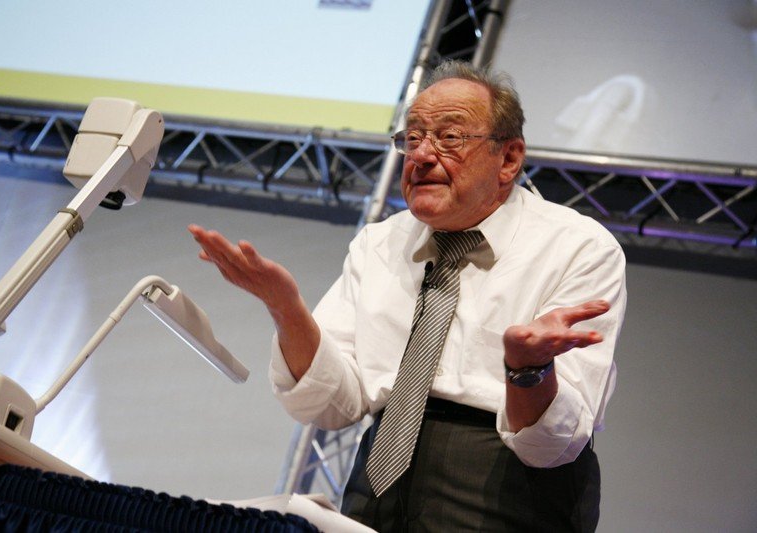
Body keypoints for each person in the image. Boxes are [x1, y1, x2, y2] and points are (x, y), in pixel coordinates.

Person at [189, 60, 626, 532]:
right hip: (377, 483)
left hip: (510, 491)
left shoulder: (578, 247)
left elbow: (554, 445)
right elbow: (330, 405)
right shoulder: (380, 243)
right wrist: (286, 309)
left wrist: (528, 370)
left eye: (450, 137)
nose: (421, 155)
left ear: (508, 159)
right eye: (412, 138)